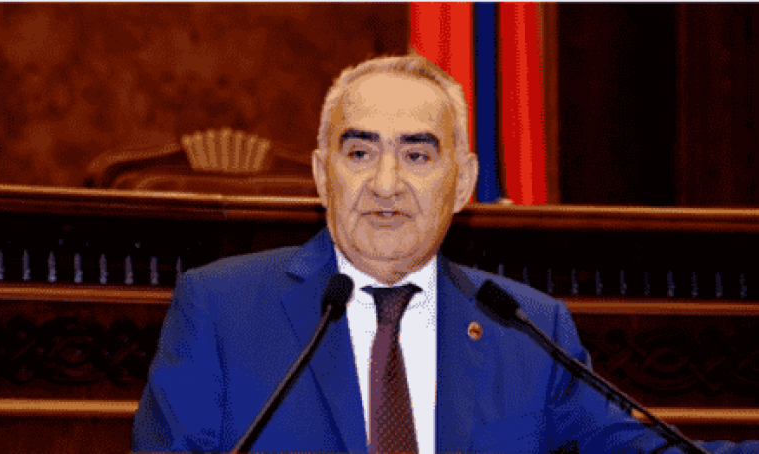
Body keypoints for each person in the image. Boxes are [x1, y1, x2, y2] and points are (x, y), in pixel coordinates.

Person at [132, 55, 758, 453]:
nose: (385, 185)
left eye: (417, 154)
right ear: (323, 176)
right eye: (359, 153)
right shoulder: (222, 309)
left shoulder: (528, 328)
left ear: (462, 183)